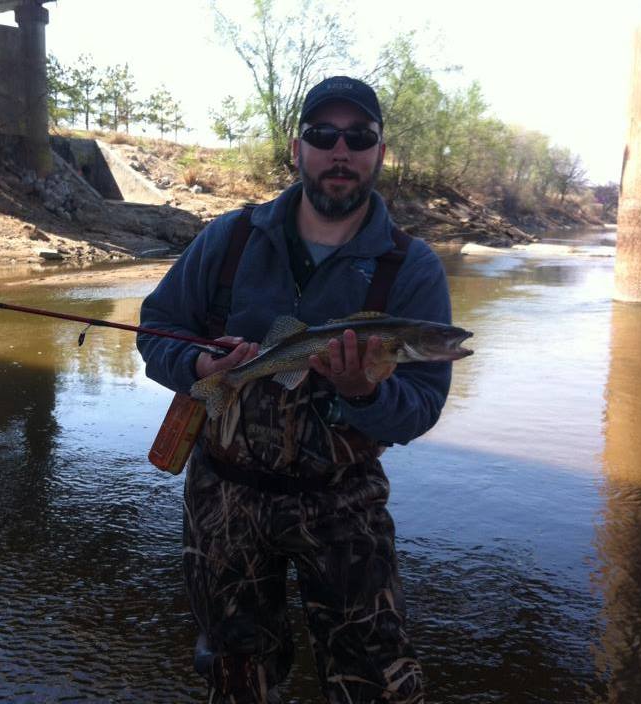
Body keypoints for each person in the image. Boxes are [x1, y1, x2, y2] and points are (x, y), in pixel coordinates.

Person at [137, 76, 453, 704]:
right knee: (235, 677)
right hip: (222, 499)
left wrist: (364, 392)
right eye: (323, 134)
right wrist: (202, 370)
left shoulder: (410, 267)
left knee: (378, 682)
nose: (341, 150)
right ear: (296, 147)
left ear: (379, 152)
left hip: (344, 506)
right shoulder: (227, 240)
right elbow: (154, 333)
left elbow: (418, 409)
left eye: (358, 137)